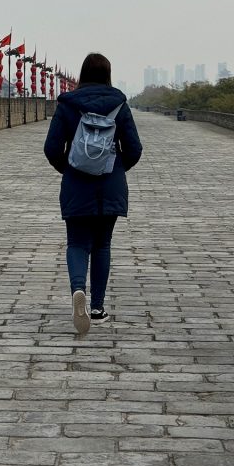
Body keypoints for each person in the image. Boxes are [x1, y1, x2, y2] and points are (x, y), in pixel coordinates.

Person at [43, 53, 142, 333]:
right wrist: (116, 167)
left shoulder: (66, 105)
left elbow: (51, 149)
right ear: (108, 75)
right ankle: (97, 308)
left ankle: (78, 290)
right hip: (110, 186)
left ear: (82, 74)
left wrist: (69, 168)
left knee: (77, 243)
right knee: (102, 245)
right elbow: (134, 149)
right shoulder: (120, 105)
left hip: (76, 184)